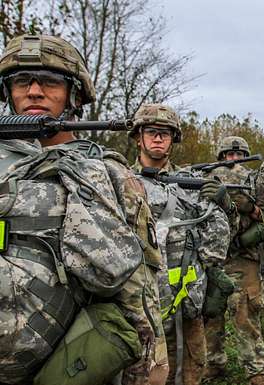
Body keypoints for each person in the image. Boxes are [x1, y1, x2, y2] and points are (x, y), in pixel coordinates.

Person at [0, 34, 167, 384]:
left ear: (74, 93)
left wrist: (150, 371)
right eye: (21, 81)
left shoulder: (106, 174)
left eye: (49, 81)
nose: (33, 91)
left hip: (61, 367)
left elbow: (139, 299)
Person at [131, 103, 233, 385]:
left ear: (173, 140)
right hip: (139, 312)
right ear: (138, 136)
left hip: (187, 307)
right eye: (151, 131)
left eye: (166, 133)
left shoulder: (191, 184)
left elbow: (218, 244)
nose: (158, 138)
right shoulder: (118, 181)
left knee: (192, 374)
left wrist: (226, 207)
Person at [202, 136, 264, 385]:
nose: (234, 160)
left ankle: (255, 369)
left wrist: (250, 208)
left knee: (245, 312)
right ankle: (213, 362)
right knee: (210, 313)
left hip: (243, 258)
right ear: (221, 157)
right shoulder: (207, 178)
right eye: (229, 156)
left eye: (239, 156)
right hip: (213, 258)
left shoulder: (256, 181)